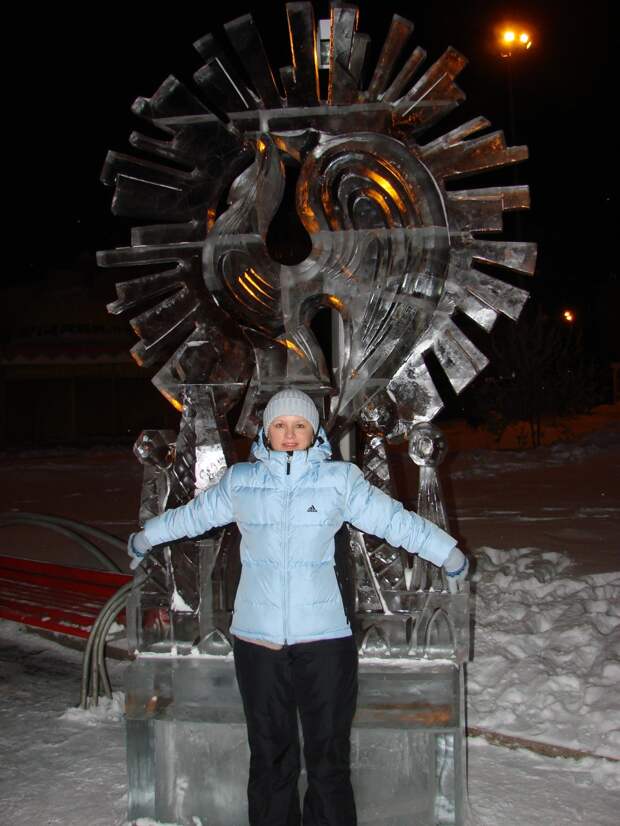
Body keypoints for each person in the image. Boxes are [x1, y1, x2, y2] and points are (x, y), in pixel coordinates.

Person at [128, 388, 468, 826]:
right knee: (270, 756)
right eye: (280, 425)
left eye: (300, 425)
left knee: (328, 758)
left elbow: (395, 521)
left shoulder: (339, 481)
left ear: (314, 432)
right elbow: (191, 516)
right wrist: (146, 537)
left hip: (325, 643)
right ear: (266, 432)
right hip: (258, 644)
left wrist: (447, 553)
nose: (289, 434)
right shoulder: (241, 482)